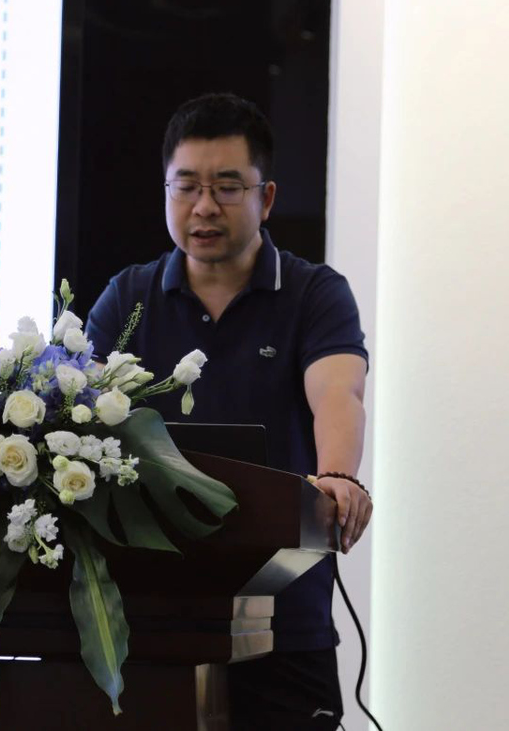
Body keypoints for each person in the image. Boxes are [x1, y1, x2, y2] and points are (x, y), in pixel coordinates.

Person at [85, 93, 371, 730]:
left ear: (265, 198)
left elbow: (337, 392)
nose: (204, 206)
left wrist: (337, 476)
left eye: (226, 187)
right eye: (186, 186)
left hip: (283, 615)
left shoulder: (314, 293)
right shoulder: (128, 298)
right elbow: (77, 413)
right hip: (145, 616)